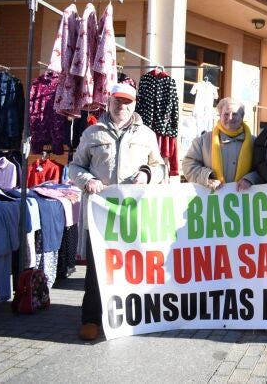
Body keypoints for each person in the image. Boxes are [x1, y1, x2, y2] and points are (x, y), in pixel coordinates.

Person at [70, 82, 167, 341]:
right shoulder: (92, 132)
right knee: (97, 269)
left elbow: (161, 168)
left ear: (135, 104)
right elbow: (75, 167)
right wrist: (86, 180)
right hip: (100, 216)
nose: (121, 106)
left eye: (127, 102)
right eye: (117, 101)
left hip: (133, 215)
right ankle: (91, 319)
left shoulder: (146, 134)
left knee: (132, 266)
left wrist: (147, 175)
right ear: (109, 102)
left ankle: (129, 318)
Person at [182, 97, 260, 191]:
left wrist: (250, 179)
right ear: (220, 115)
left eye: (235, 114)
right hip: (212, 201)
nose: (230, 118)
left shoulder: (255, 142)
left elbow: (261, 168)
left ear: (242, 117)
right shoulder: (203, 141)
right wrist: (207, 177)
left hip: (244, 200)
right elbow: (188, 165)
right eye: (226, 114)